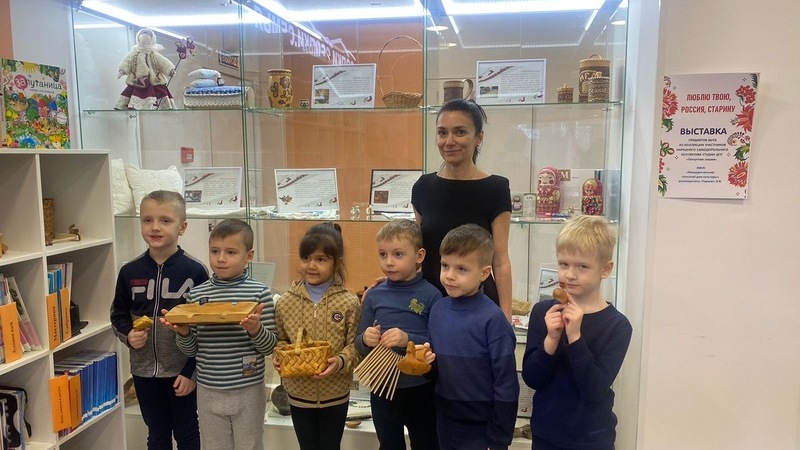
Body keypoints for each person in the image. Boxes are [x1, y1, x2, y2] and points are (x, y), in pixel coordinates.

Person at [161, 218, 278, 450]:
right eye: (215, 251)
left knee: (250, 445)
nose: (221, 258)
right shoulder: (196, 295)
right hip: (208, 388)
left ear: (249, 255)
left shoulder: (260, 294)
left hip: (248, 387)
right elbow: (191, 350)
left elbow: (269, 347)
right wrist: (183, 332)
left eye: (231, 252)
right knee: (213, 445)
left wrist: (255, 329)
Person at [521, 215, 632, 450]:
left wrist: (575, 337)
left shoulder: (617, 325)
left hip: (592, 439)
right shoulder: (543, 312)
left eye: (582, 266)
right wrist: (551, 339)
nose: (570, 274)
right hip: (546, 434)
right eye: (564, 264)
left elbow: (594, 390)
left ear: (605, 269)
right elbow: (532, 378)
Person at [110, 190, 208, 450]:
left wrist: (191, 372)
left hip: (181, 372)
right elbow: (118, 314)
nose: (155, 227)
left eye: (165, 220)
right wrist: (128, 335)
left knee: (187, 433)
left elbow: (205, 328)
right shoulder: (129, 271)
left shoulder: (196, 271)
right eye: (147, 220)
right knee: (156, 434)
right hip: (144, 372)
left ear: (182, 227)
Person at [411, 98, 513, 320]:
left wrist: (506, 316)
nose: (449, 141)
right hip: (430, 301)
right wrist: (393, 282)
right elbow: (416, 251)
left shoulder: (496, 188)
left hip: (478, 304)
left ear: (479, 137)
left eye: (460, 132)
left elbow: (500, 259)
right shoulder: (423, 187)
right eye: (442, 133)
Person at [427, 224, 519, 450]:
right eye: (445, 265)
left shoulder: (494, 320)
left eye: (461, 269)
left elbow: (506, 385)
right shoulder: (438, 310)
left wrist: (498, 440)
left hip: (483, 430)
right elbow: (436, 370)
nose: (449, 275)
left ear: (484, 273)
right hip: (446, 423)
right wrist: (426, 364)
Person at [273, 222, 362, 450]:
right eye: (306, 258)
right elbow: (282, 339)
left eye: (321, 259)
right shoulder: (285, 302)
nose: (311, 266)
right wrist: (279, 356)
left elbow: (355, 346)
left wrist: (339, 361)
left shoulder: (349, 302)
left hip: (336, 393)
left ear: (336, 263)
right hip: (298, 393)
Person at [355, 219, 442, 450]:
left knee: (426, 444)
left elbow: (438, 343)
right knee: (389, 444)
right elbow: (358, 343)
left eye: (398, 254)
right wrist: (366, 339)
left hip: (420, 388)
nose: (389, 262)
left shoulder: (432, 295)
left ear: (419, 256)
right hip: (382, 388)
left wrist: (407, 340)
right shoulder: (374, 295)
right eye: (383, 254)